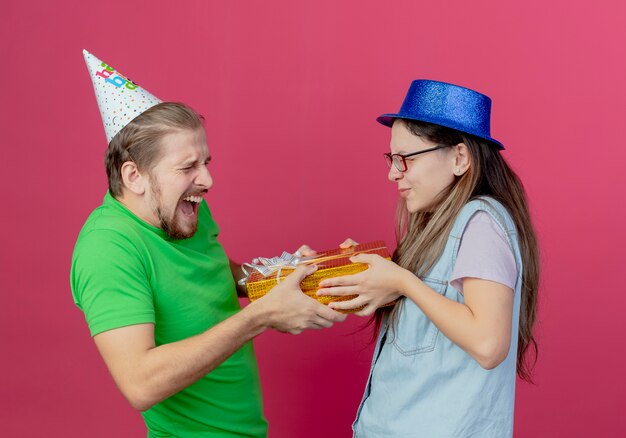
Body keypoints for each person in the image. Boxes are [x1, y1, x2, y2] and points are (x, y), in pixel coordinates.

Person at [71, 50, 345, 437]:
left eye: (206, 163)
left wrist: (277, 277)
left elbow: (214, 273)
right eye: (187, 167)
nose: (207, 181)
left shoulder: (180, 210)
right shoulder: (108, 249)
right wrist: (262, 315)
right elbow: (141, 383)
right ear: (134, 176)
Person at [316, 79, 539, 437]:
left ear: (459, 158)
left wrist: (402, 281)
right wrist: (378, 279)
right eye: (391, 158)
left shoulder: (480, 223)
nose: (393, 172)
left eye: (406, 159)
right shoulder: (438, 226)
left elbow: (488, 344)